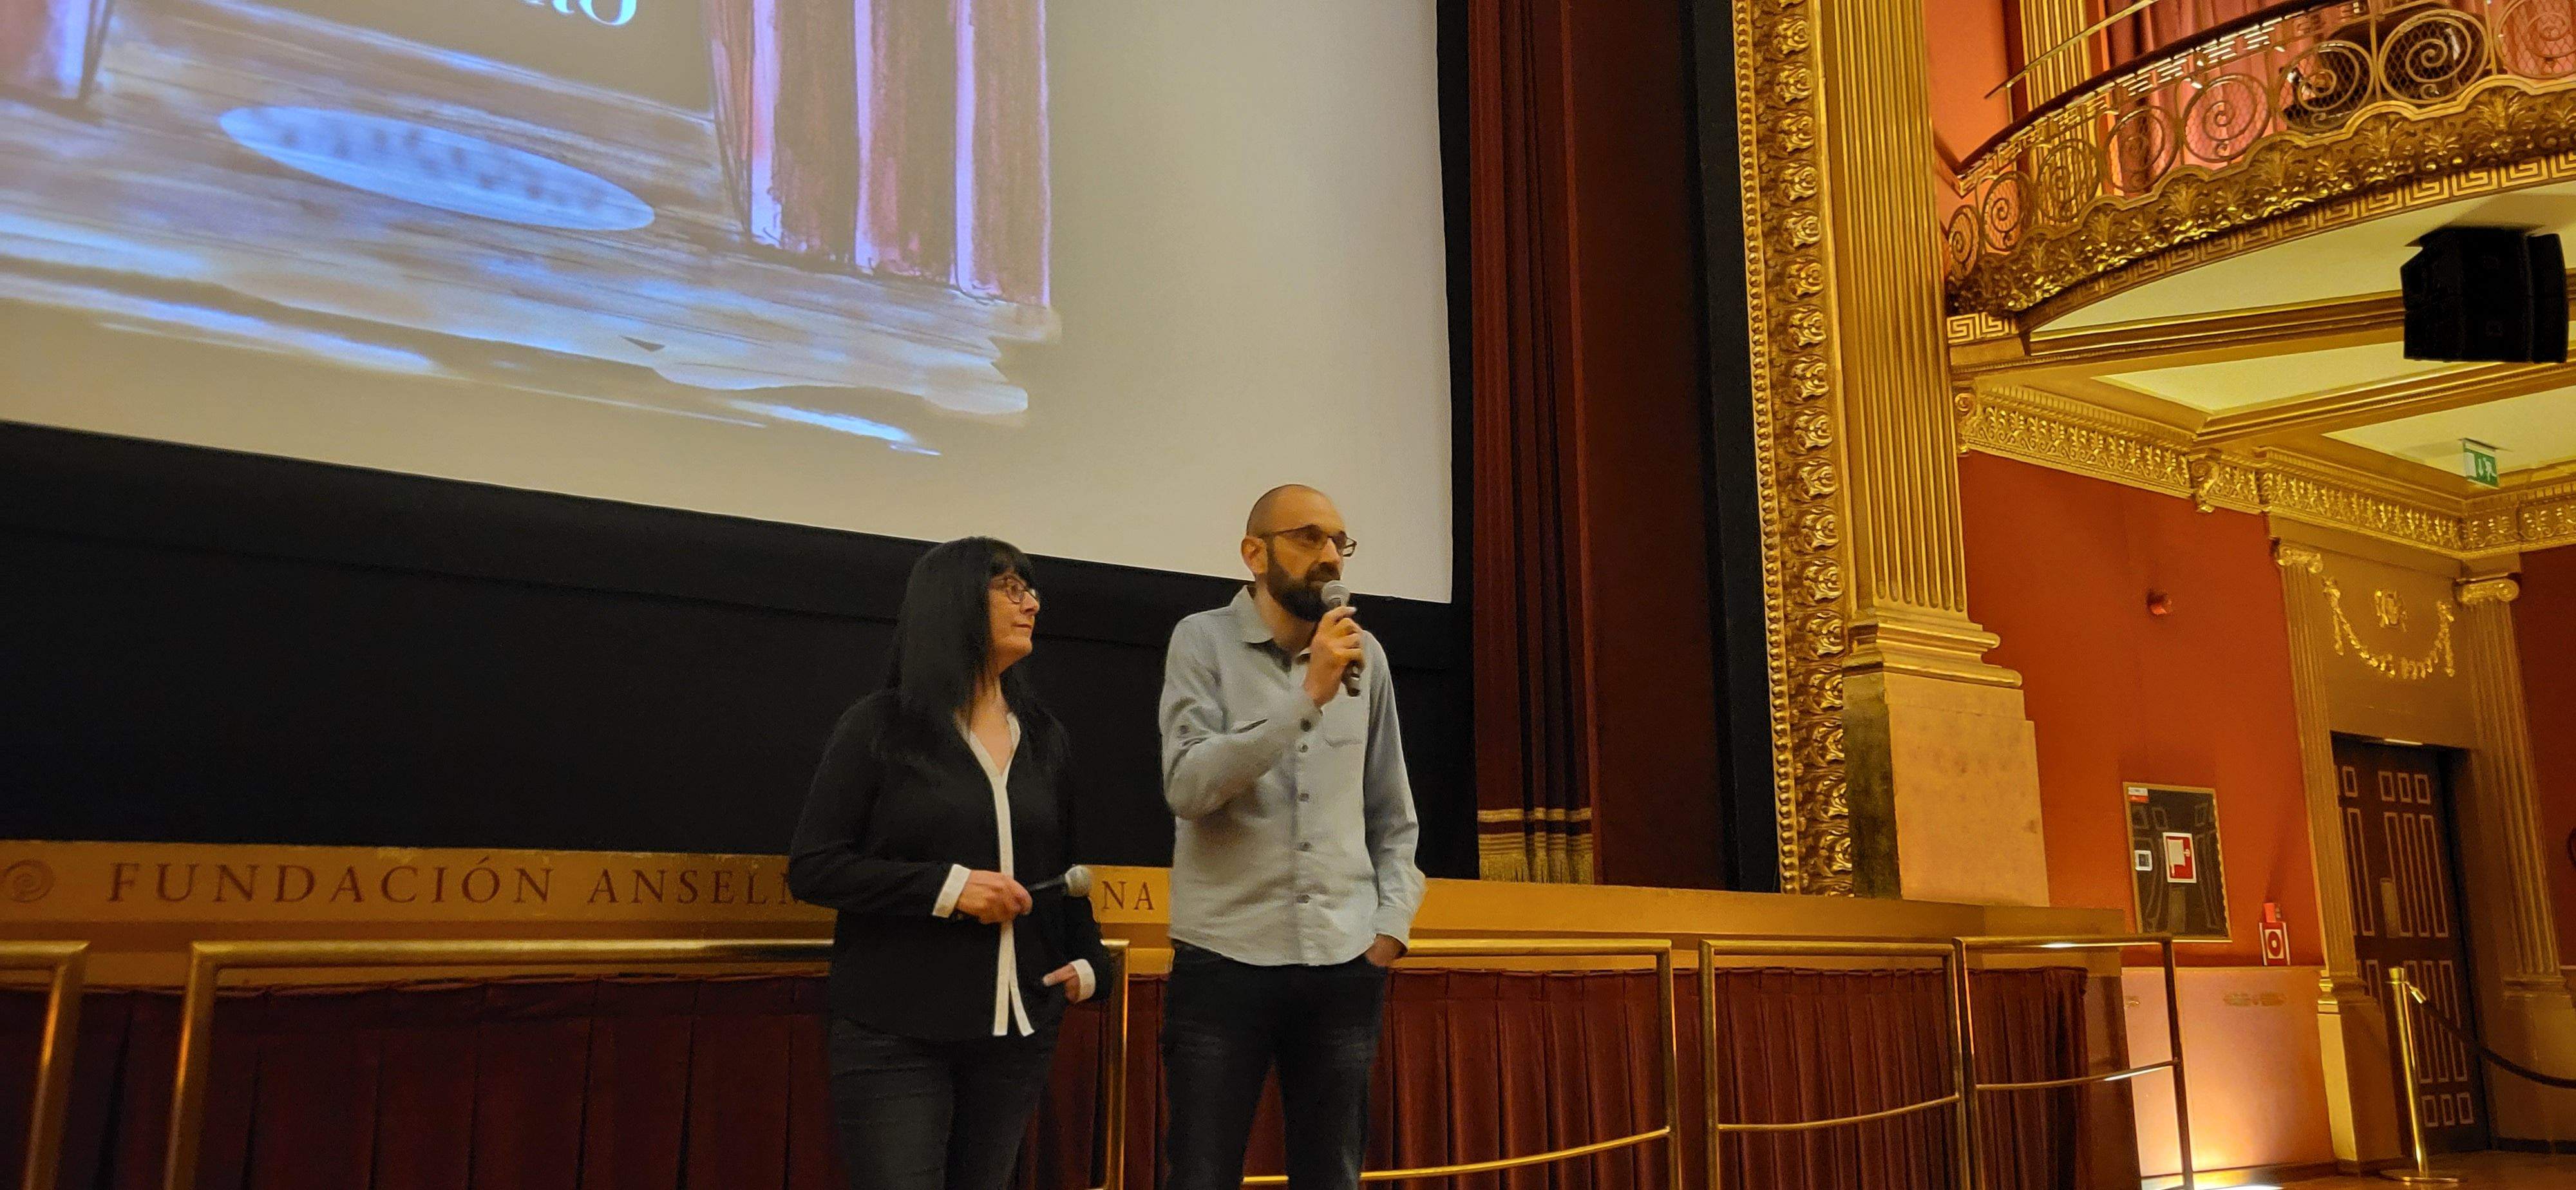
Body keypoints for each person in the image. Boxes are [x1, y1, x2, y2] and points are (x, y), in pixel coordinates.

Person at [789, 536, 1108, 1190]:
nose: (1032, 604)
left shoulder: (1043, 734)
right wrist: (948, 888)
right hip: (895, 1033)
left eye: (1031, 589)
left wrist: (1090, 963)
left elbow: (1066, 868)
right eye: (1010, 588)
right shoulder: (880, 726)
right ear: (954, 600)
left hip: (1017, 1034)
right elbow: (815, 868)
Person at [1156, 484, 1425, 1190]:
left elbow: (1392, 814)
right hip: (1224, 961)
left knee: (1332, 1176)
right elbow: (1187, 787)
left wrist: (1389, 926)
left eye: (1340, 542)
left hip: (1343, 963)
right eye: (1308, 538)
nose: (1330, 557)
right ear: (1255, 553)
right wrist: (1306, 696)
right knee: (1200, 1173)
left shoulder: (1368, 658)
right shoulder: (1201, 640)